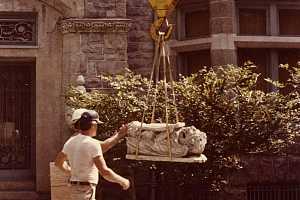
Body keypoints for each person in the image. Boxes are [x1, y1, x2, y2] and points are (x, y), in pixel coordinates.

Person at [55, 110, 130, 200]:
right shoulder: (92, 144)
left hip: (74, 188)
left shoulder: (70, 142)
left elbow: (58, 163)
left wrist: (71, 171)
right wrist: (123, 181)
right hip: (85, 190)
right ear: (93, 125)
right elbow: (104, 172)